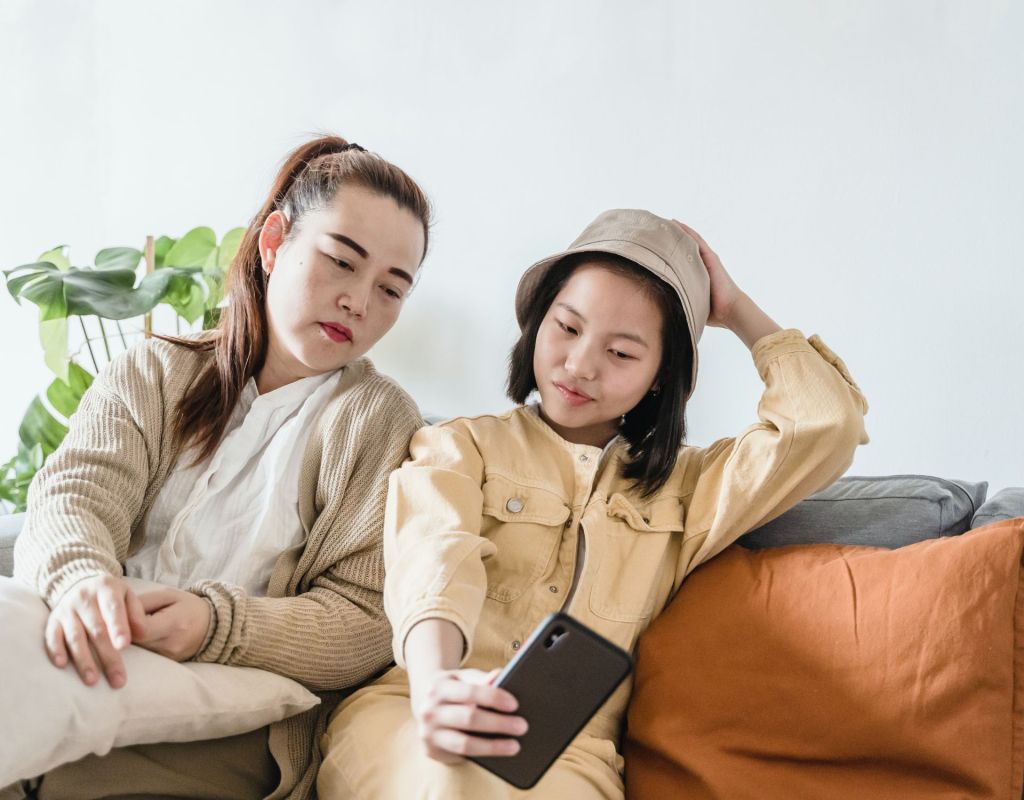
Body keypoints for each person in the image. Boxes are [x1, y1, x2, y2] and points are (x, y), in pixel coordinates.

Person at [317, 209, 870, 798]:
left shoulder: (692, 489)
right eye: (567, 327)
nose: (580, 365)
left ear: (661, 376)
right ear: (538, 320)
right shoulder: (462, 445)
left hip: (570, 752)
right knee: (442, 784)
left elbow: (827, 423)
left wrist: (736, 312)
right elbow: (434, 557)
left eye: (623, 354)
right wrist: (436, 690)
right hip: (413, 712)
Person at [3, 135, 431, 800]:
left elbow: (366, 620)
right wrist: (81, 579)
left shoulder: (378, 421)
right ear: (273, 243)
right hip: (90, 652)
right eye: (342, 262)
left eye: (391, 288)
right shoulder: (155, 370)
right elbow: (76, 495)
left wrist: (214, 624)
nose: (359, 301)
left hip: (233, 721)